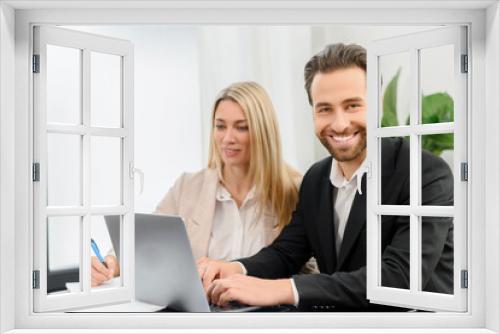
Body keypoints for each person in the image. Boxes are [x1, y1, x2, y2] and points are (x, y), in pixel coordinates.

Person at [198, 44, 454, 311]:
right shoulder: (316, 179)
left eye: (353, 105)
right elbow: (286, 253)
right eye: (325, 109)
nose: (340, 123)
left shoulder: (426, 174)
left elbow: (398, 278)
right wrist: (233, 268)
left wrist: (283, 289)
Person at [91, 81, 314, 287]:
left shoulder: (296, 189)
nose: (227, 138)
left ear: (263, 132)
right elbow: (146, 243)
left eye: (241, 127)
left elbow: (312, 270)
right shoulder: (188, 187)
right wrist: (112, 262)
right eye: (220, 126)